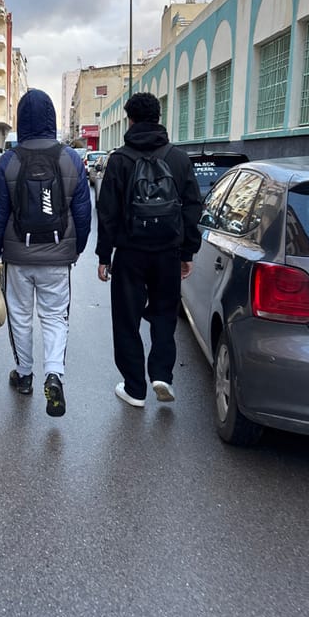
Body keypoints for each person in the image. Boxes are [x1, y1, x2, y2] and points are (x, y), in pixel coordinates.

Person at [0, 89, 91, 417]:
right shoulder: (70, 158)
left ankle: (25, 376)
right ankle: (54, 374)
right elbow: (83, 212)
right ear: (52, 118)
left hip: (19, 257)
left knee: (20, 316)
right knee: (56, 317)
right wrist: (76, 248)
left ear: (20, 120)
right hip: (57, 258)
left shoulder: (8, 161)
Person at [96, 92, 202, 408]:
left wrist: (104, 256)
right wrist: (187, 253)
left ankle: (135, 388)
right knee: (164, 315)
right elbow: (193, 206)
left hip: (130, 253)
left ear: (129, 119)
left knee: (126, 320)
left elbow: (107, 211)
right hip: (168, 252)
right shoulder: (179, 159)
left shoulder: (120, 159)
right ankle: (161, 376)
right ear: (158, 117)